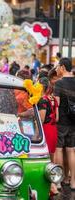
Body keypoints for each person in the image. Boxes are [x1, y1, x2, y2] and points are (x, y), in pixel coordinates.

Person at [53, 57, 75, 192]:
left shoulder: (59, 83)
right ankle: (73, 182)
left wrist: (55, 119)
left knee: (59, 149)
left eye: (57, 67)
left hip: (62, 121)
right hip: (74, 121)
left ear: (62, 67)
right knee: (71, 150)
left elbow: (57, 104)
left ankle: (59, 180)